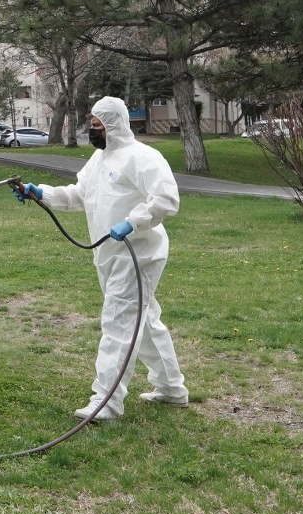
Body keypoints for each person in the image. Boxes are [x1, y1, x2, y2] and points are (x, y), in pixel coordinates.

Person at [15, 95, 188, 421]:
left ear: (114, 125)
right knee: (145, 321)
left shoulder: (142, 157)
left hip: (139, 253)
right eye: (91, 125)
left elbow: (166, 199)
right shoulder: (99, 160)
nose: (92, 131)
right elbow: (79, 195)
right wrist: (42, 193)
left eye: (97, 126)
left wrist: (134, 222)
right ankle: (172, 389)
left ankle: (106, 402)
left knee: (119, 322)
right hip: (108, 252)